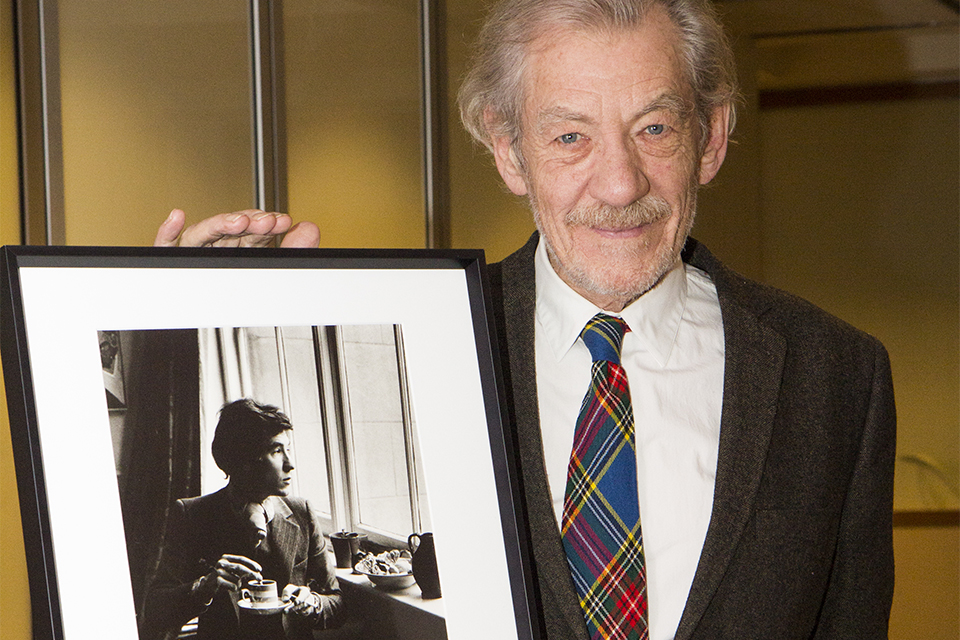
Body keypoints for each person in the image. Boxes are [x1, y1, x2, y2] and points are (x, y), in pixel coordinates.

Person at [153, 1, 896, 638]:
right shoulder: (430, 340)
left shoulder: (834, 377)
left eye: (656, 128)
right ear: (509, 153)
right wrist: (177, 308)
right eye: (570, 136)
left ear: (714, 135)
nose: (618, 182)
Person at [140, 399, 344, 640]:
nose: (290, 464)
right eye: (276, 451)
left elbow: (336, 603)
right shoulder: (193, 515)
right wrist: (206, 585)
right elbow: (155, 609)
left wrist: (312, 603)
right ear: (244, 460)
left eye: (288, 450)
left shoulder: (302, 512)